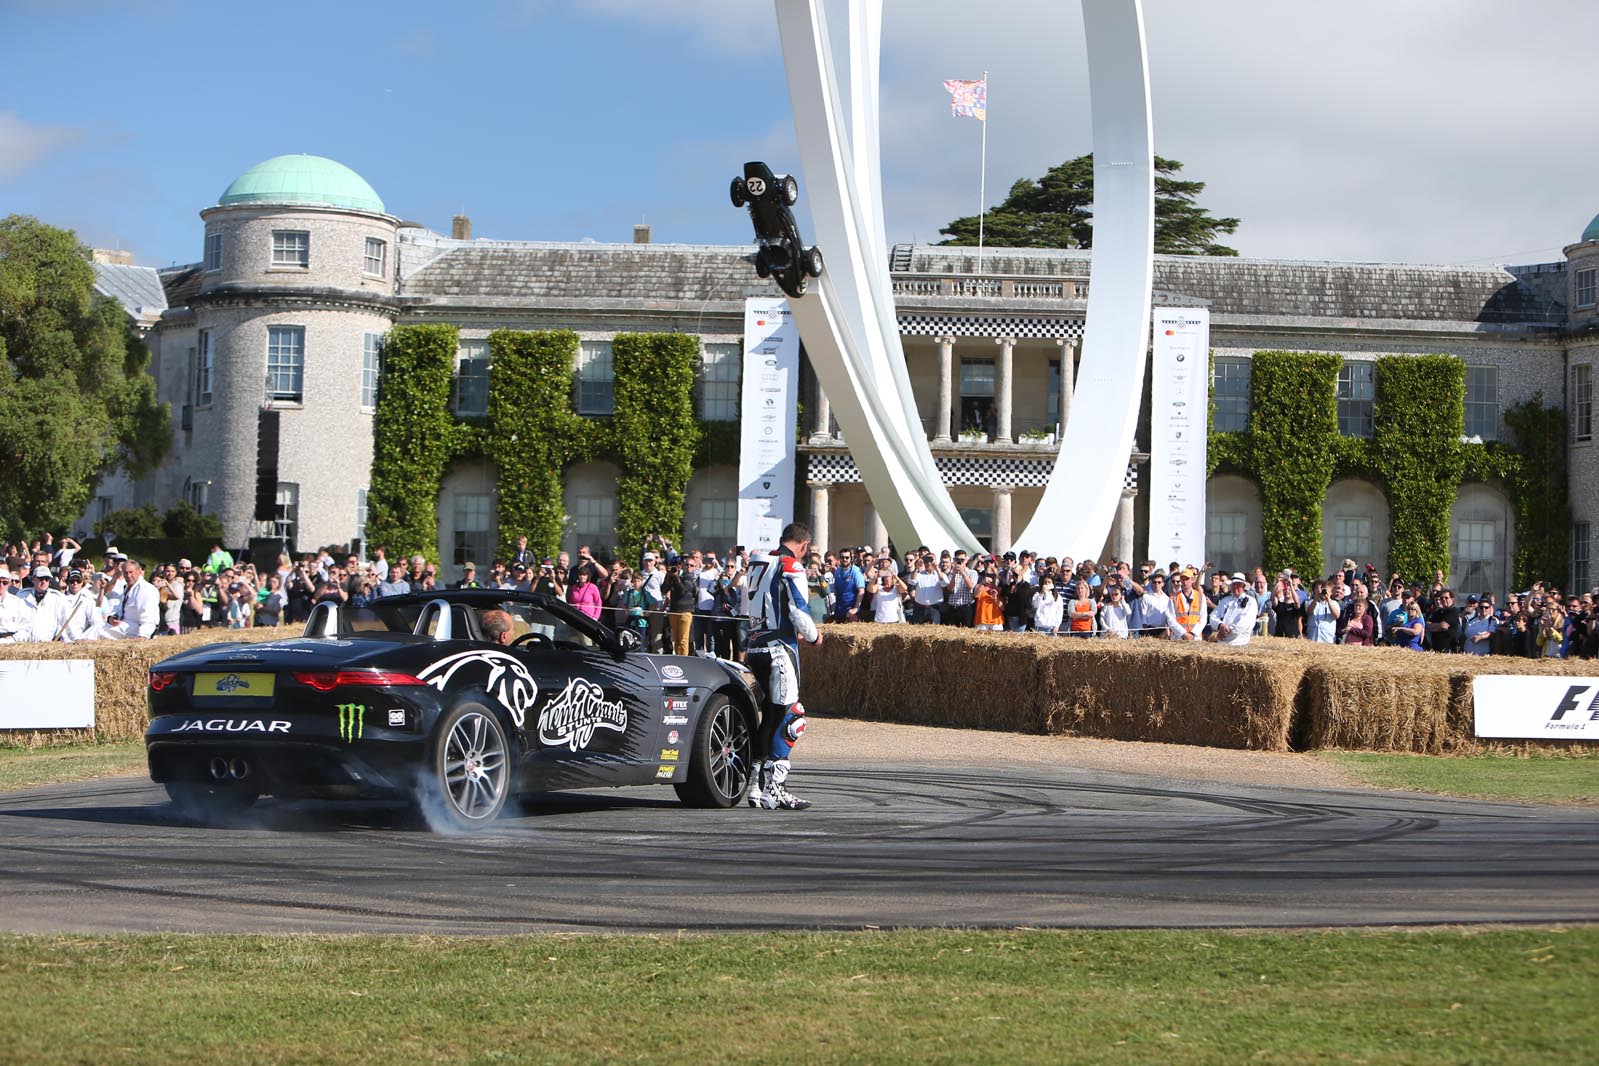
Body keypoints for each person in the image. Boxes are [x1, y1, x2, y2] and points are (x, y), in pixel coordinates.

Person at [745, 522, 823, 811]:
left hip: (755, 647)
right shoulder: (791, 565)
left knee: (771, 717)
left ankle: (755, 785)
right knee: (792, 717)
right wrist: (814, 636)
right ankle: (775, 788)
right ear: (803, 545)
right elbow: (798, 609)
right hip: (780, 649)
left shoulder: (758, 563)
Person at [1211, 573, 1260, 646]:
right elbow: (1213, 617)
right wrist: (1220, 625)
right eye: (1233, 585)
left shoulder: (1250, 602)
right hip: (1221, 642)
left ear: (1243, 586)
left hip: (1240, 643)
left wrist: (1226, 630)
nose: (1235, 587)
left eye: (1238, 585)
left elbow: (1244, 623)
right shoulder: (1225, 600)